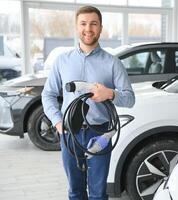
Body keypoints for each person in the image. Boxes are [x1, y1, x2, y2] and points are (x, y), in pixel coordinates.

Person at [41, 5, 135, 200]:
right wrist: (59, 123)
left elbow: (130, 98)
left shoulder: (113, 63)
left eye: (93, 24)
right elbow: (48, 95)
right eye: (83, 24)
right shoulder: (62, 61)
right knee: (75, 191)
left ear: (100, 27)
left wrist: (110, 93)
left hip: (100, 133)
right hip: (69, 133)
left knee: (98, 193)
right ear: (76, 27)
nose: (88, 29)